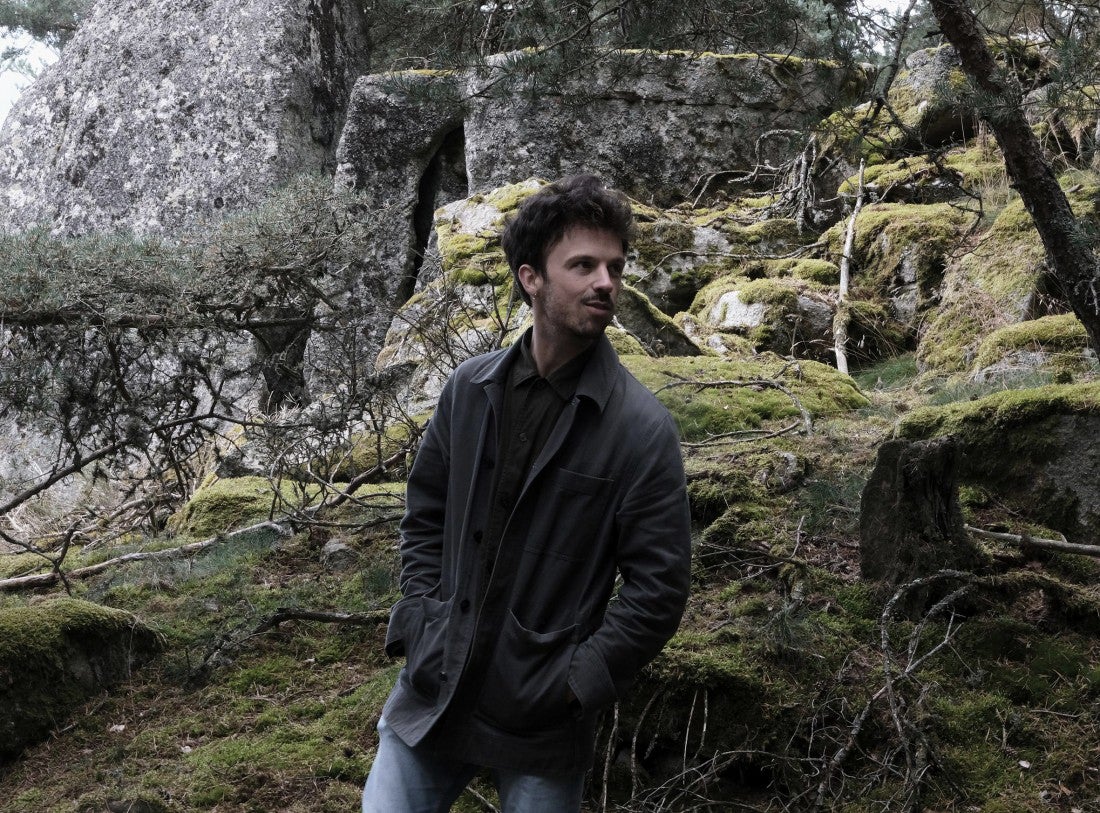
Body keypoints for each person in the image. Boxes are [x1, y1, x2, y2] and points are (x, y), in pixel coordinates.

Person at [362, 175, 692, 813]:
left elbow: (659, 589)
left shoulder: (641, 429)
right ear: (531, 278)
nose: (606, 282)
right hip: (436, 685)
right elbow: (425, 514)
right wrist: (422, 619)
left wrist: (577, 682)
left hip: (542, 721)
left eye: (615, 268)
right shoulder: (469, 389)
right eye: (583, 265)